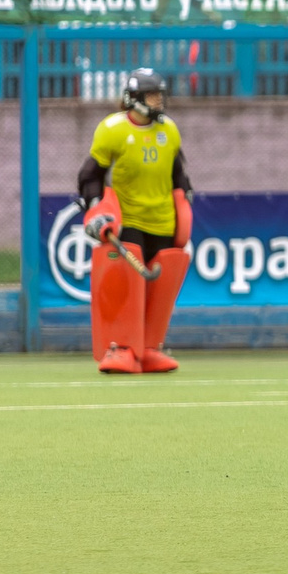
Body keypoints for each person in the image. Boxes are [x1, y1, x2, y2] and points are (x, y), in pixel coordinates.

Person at [73, 65, 194, 375]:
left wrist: (185, 206)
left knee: (160, 288)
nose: (159, 102)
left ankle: (149, 347)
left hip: (163, 221)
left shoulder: (169, 130)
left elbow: (179, 175)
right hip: (129, 221)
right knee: (125, 285)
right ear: (135, 99)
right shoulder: (112, 130)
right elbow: (90, 176)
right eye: (153, 96)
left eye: (160, 96)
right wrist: (96, 208)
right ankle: (121, 347)